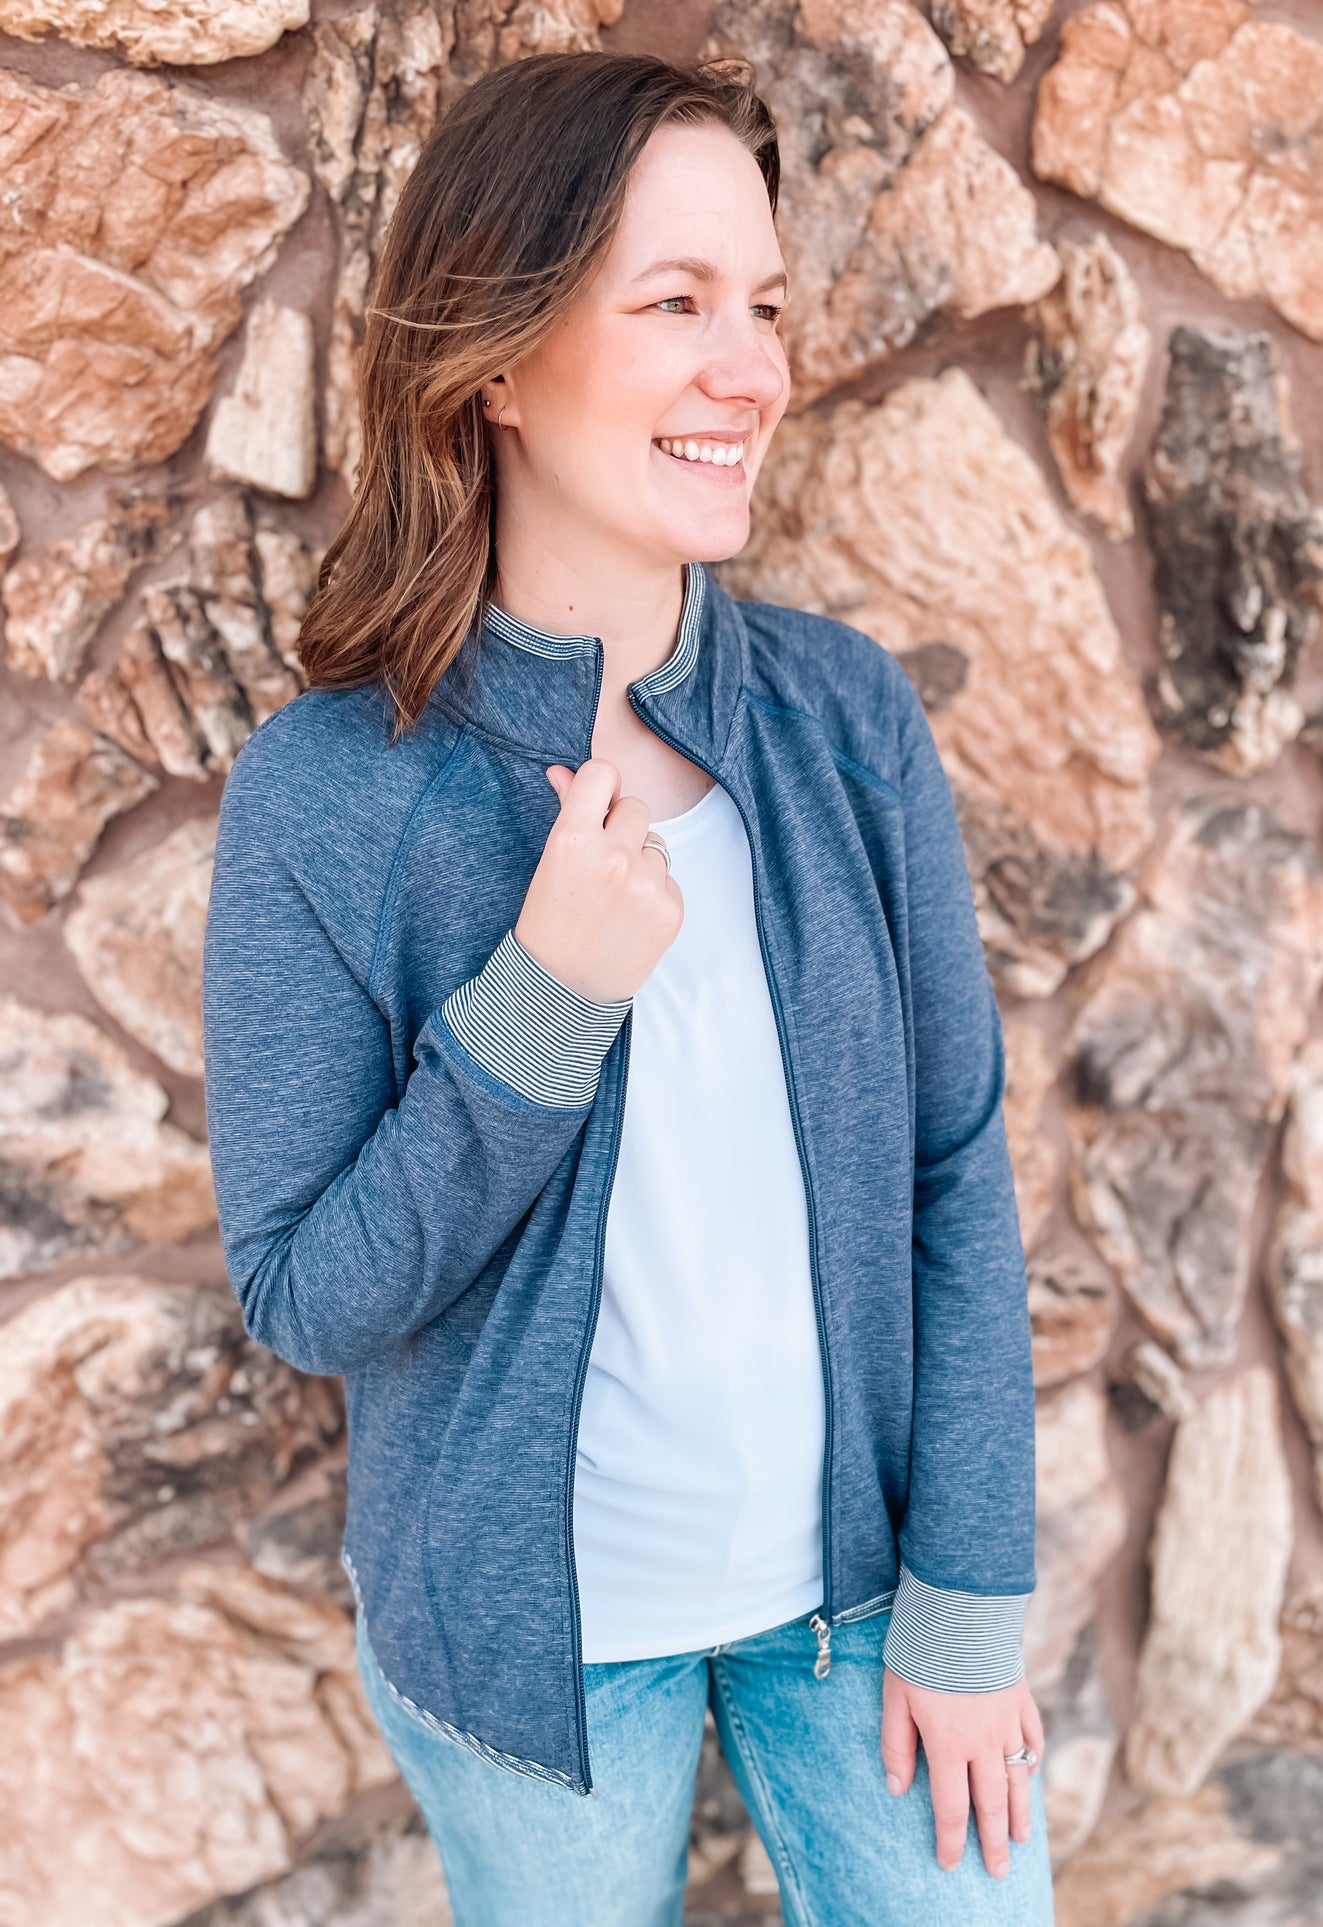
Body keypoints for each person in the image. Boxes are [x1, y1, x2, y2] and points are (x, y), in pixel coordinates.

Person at [201, 48, 1053, 1927]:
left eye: (759, 304)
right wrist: (540, 1004)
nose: (747, 367)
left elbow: (951, 1180)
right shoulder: (330, 797)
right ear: (495, 362)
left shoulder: (844, 723)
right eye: (672, 305)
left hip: (863, 1608)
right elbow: (302, 1295)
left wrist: (973, 1599)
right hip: (532, 1665)